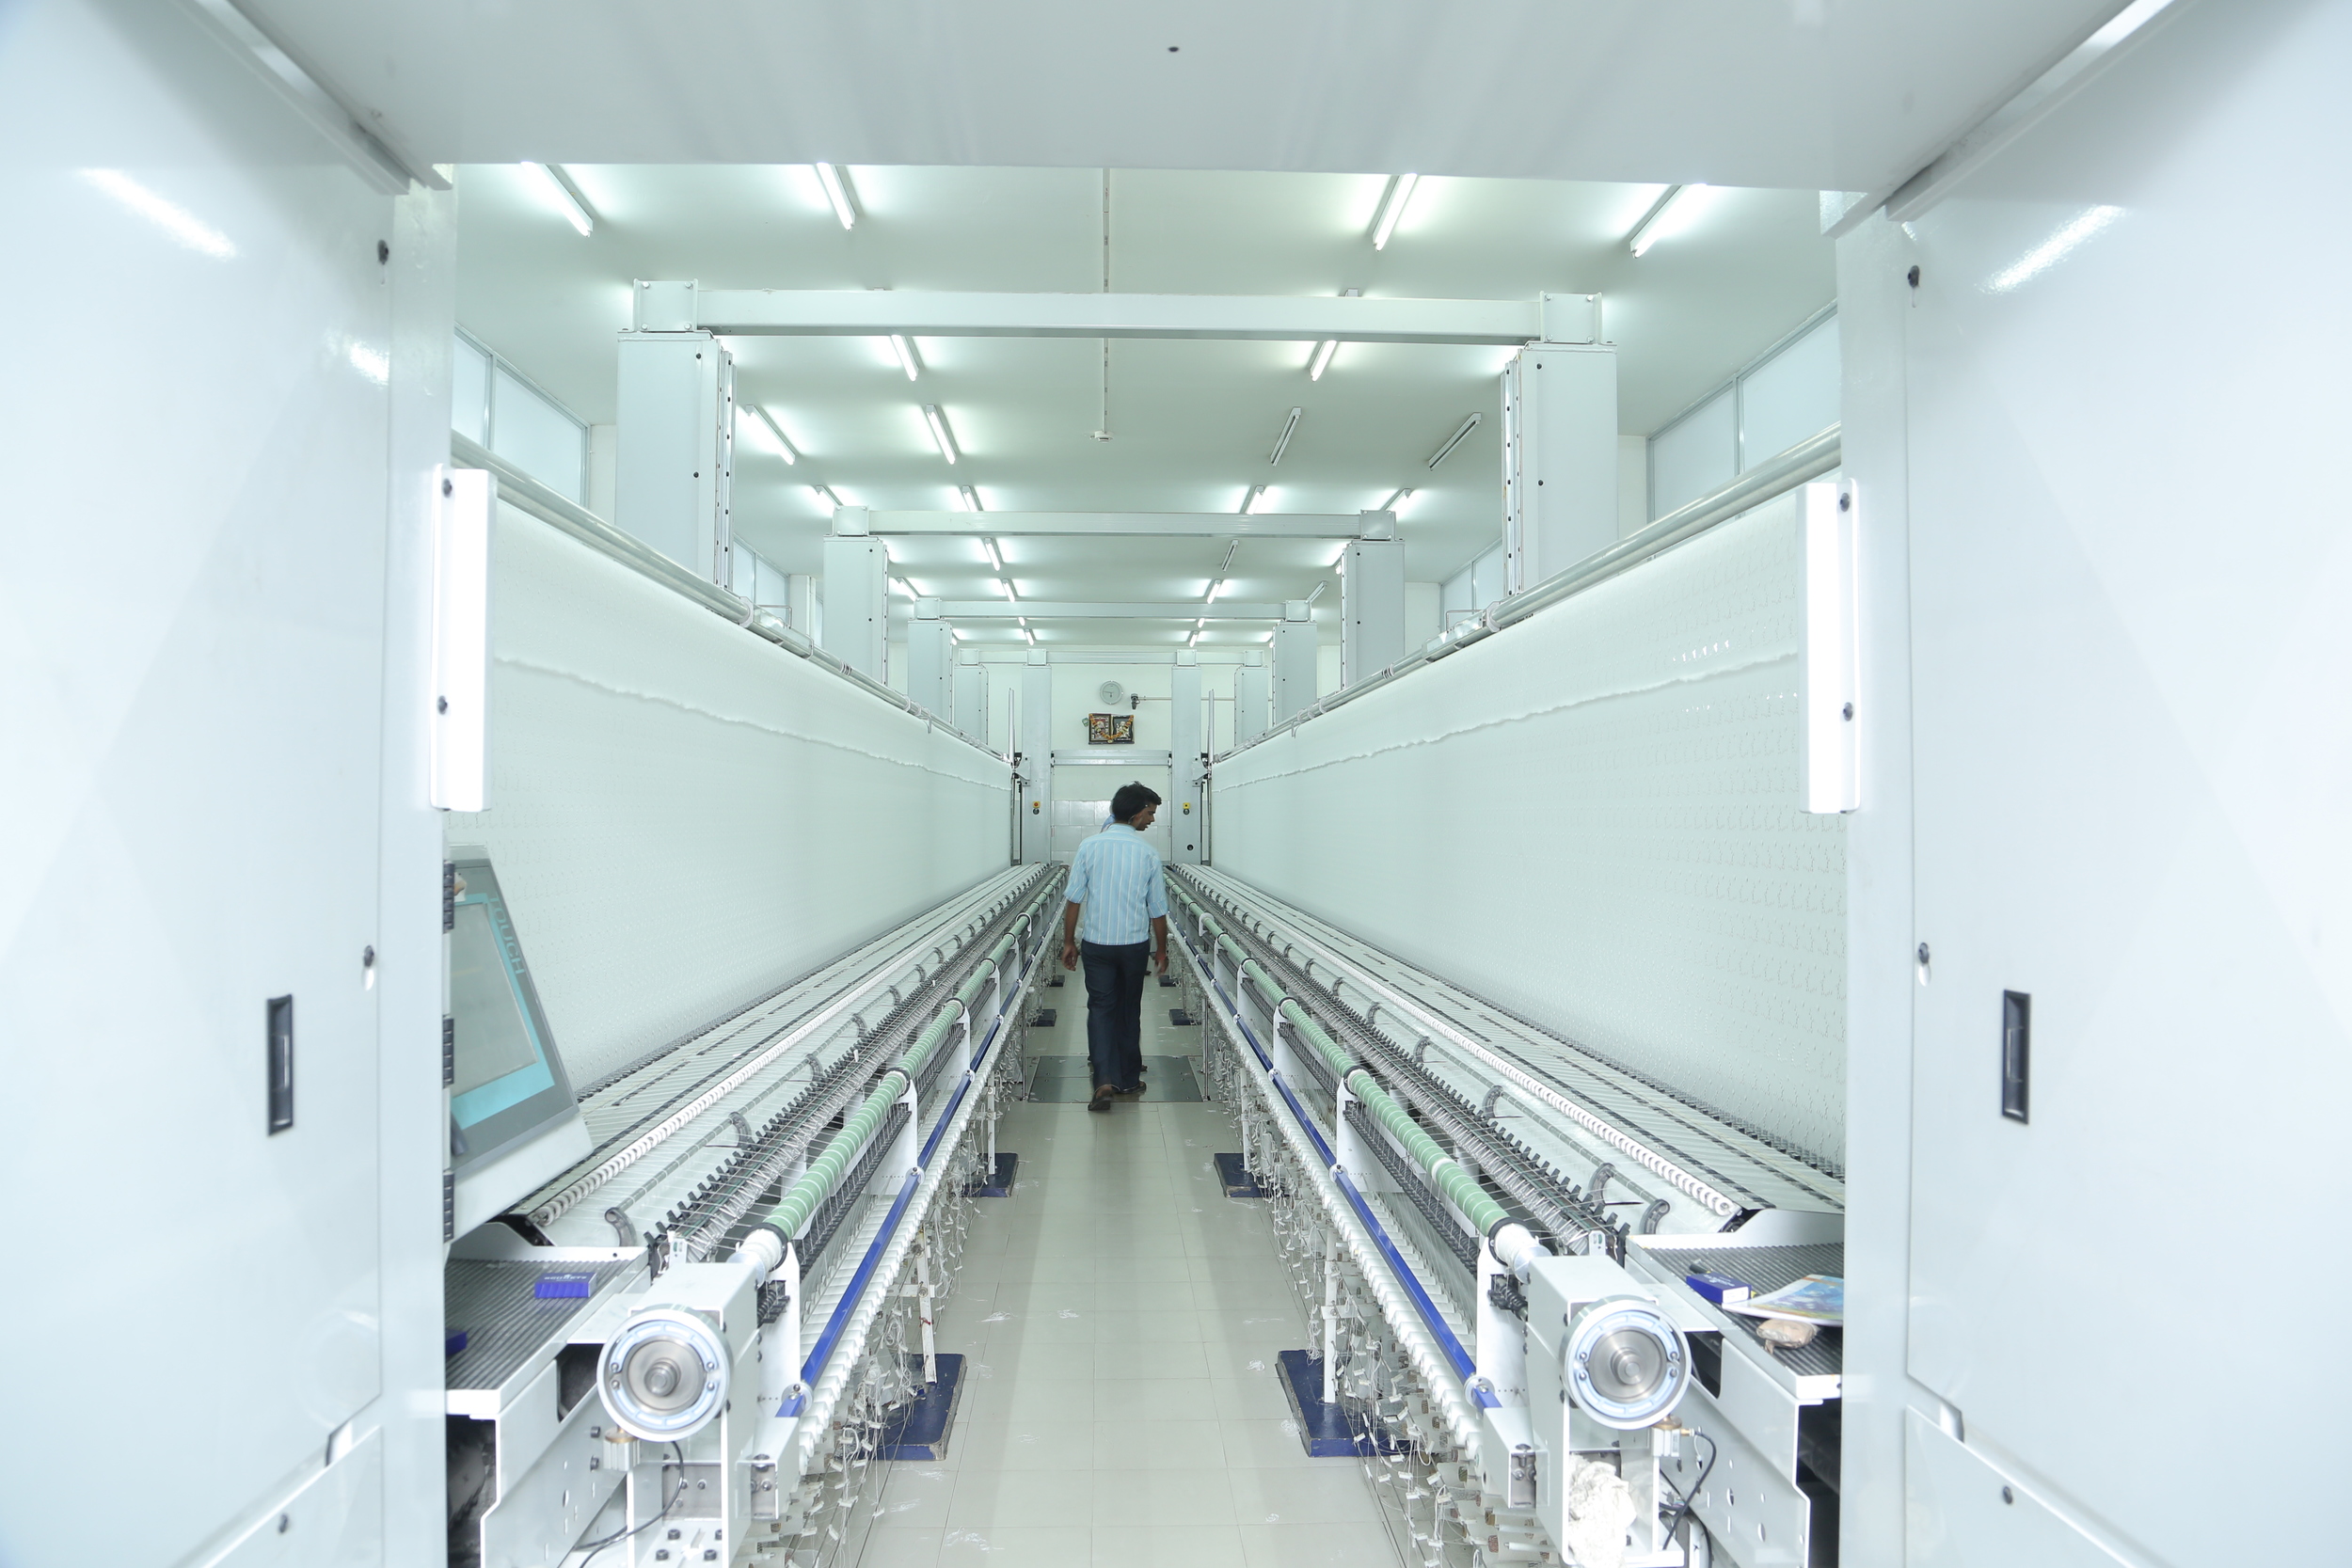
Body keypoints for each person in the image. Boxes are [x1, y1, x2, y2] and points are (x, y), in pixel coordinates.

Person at [1060, 782, 1168, 1112]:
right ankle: (1128, 1079)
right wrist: (1161, 949)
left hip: (1097, 944)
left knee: (1101, 1008)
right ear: (1136, 815)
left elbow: (1074, 900)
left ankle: (1104, 1079)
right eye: (1150, 813)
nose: (1151, 820)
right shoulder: (1148, 853)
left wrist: (1069, 942)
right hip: (1134, 945)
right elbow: (1158, 910)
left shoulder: (1089, 847)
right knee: (1128, 1009)